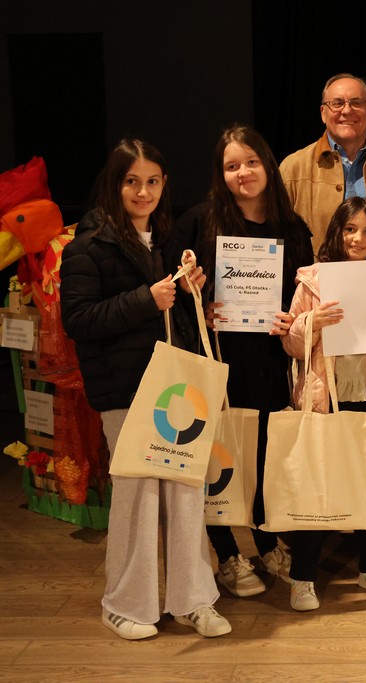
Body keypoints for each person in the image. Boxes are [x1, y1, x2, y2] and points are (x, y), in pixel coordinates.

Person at [61, 139, 231, 639]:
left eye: (152, 181)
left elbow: (173, 316)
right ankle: (123, 604)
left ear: (164, 185)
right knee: (136, 499)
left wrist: (192, 292)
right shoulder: (87, 246)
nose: (143, 191)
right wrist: (145, 299)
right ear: (115, 184)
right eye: (132, 181)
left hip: (174, 391)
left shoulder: (166, 239)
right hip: (126, 392)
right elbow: (78, 319)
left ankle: (194, 600)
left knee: (186, 495)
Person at [171, 124, 315, 597]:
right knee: (217, 458)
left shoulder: (292, 228)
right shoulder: (199, 222)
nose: (243, 173)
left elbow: (305, 297)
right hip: (215, 360)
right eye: (231, 166)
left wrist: (291, 319)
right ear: (221, 174)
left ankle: (269, 543)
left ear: (267, 166)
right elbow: (172, 289)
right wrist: (199, 299)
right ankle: (229, 556)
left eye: (251, 162)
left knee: (264, 457)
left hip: (269, 362)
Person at [282, 196, 366, 611]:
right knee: (315, 486)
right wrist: (311, 323)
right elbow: (291, 345)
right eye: (351, 229)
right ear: (337, 232)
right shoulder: (312, 281)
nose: (358, 238)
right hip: (323, 401)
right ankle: (303, 577)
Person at [280, 73, 366, 252]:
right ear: (323, 113)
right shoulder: (293, 168)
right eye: (337, 103)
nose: (346, 111)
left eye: (356, 103)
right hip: (315, 270)